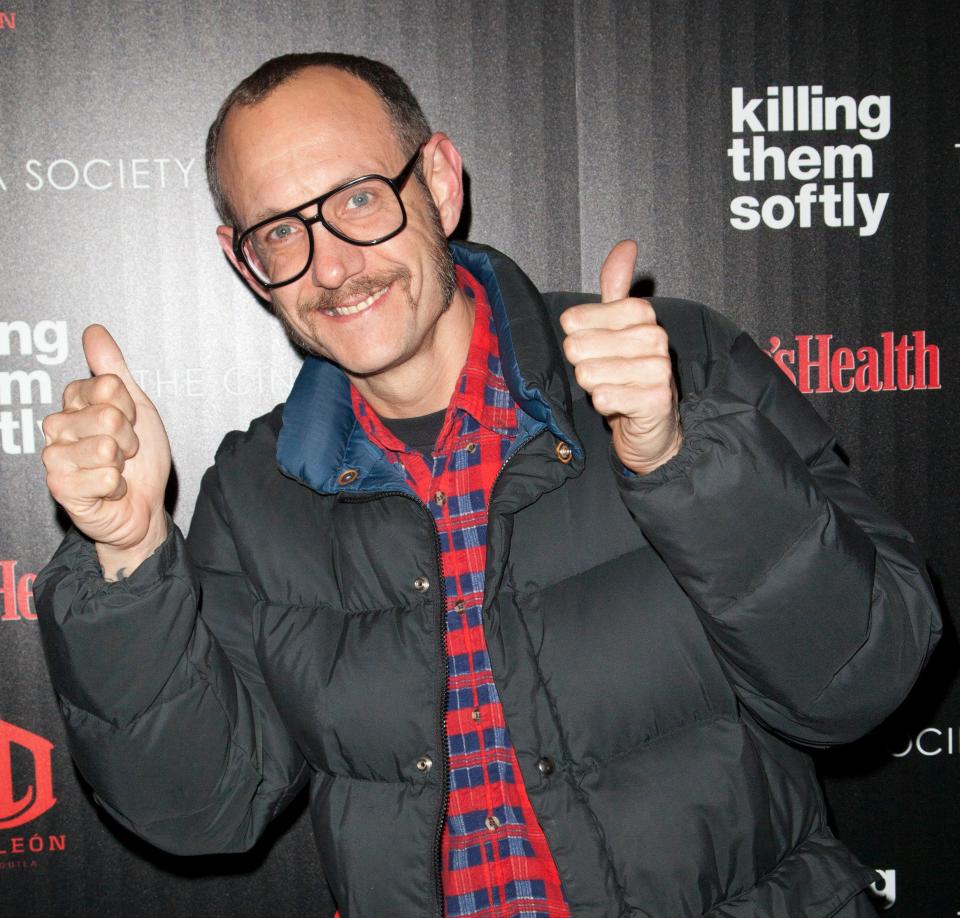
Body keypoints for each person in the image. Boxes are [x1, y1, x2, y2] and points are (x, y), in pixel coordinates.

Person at [36, 53, 940, 918]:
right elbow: (201, 809)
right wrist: (127, 555)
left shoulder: (673, 363)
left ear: (437, 181)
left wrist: (676, 459)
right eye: (282, 232)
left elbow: (860, 683)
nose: (335, 264)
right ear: (246, 263)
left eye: (359, 199)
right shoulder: (256, 490)